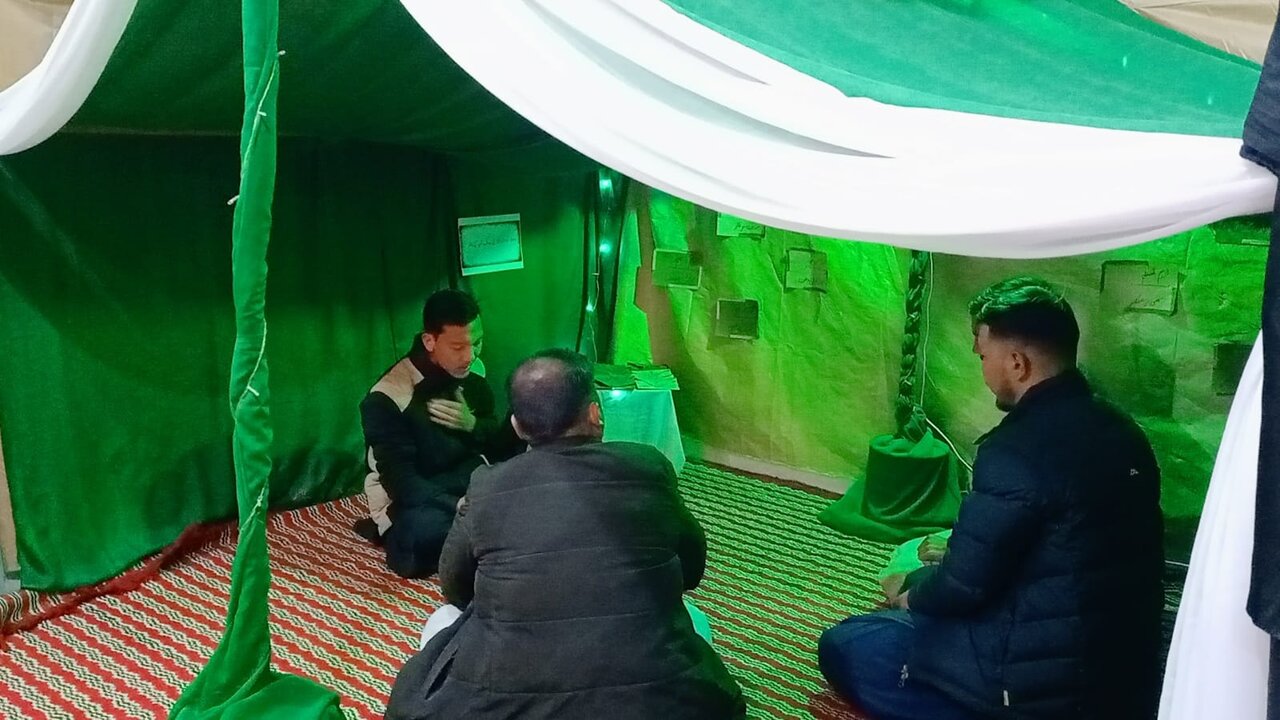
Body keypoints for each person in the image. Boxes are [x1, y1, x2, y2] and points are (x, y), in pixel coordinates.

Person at [818, 277, 1164, 720]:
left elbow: (963, 588)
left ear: (1017, 363)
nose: (981, 369)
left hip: (1041, 692)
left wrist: (910, 593)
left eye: (983, 356)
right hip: (1126, 674)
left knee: (852, 641)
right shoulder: (1124, 430)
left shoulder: (1015, 451)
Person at [385, 349, 746, 720]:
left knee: (443, 621)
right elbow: (692, 570)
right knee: (693, 619)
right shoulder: (648, 466)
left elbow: (455, 588)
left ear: (518, 426)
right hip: (654, 705)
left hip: (504, 705)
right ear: (595, 414)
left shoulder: (488, 485)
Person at [356, 289, 520, 578]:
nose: (470, 356)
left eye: (477, 343)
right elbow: (403, 484)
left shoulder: (473, 371)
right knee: (419, 536)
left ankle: (488, 531)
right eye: (458, 347)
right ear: (429, 341)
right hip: (415, 500)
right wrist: (459, 505)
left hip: (468, 480)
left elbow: (492, 443)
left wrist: (473, 425)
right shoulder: (387, 397)